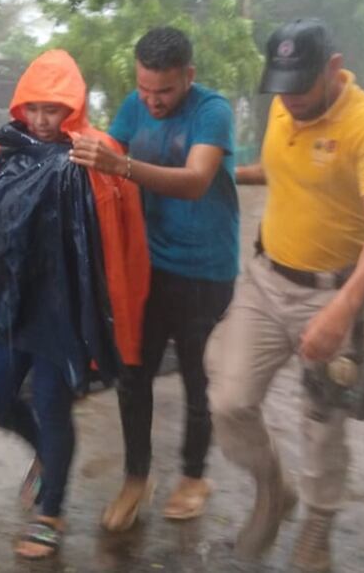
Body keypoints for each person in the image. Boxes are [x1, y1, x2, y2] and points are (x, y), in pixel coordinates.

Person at [204, 18, 364, 571]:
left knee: (322, 424)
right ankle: (274, 490)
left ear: (334, 69)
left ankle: (317, 528)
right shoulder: (283, 104)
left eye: (301, 86)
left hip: (335, 294)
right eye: (281, 86)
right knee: (229, 399)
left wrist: (345, 309)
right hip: (268, 281)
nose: (290, 99)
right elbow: (277, 169)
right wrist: (219, 175)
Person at [0, 49, 150, 560]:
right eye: (33, 108)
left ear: (73, 108)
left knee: (51, 403)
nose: (41, 120)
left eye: (53, 109)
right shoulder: (9, 150)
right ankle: (42, 449)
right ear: (20, 107)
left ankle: (51, 511)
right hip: (16, 302)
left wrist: (115, 316)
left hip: (67, 308)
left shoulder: (97, 153)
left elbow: (123, 237)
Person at [69, 26, 238, 530]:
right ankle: (136, 478)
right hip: (146, 266)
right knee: (132, 371)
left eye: (163, 91)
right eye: (145, 89)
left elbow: (195, 181)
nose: (152, 101)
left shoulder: (213, 111)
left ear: (188, 75)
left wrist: (120, 165)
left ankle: (193, 475)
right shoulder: (133, 104)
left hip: (205, 270)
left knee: (194, 374)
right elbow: (103, 158)